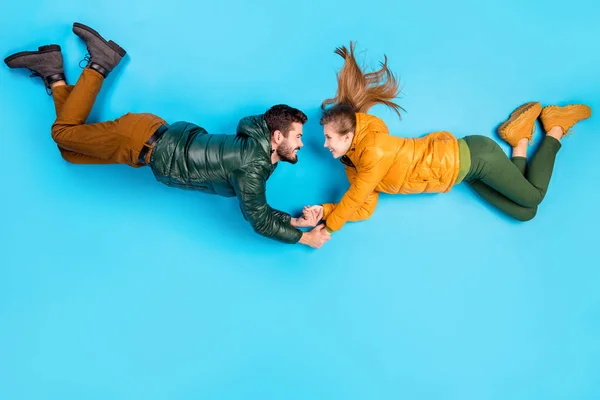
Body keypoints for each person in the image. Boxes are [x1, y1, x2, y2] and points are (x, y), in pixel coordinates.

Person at [4, 22, 331, 248]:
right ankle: (100, 64)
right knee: (62, 134)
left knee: (69, 151)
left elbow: (257, 205)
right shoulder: (252, 164)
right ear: (276, 137)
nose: (302, 143)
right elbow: (258, 218)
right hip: (137, 140)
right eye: (297, 136)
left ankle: (53, 73)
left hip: (143, 145)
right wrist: (305, 237)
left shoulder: (257, 149)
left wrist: (296, 222)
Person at [303, 42, 592, 234]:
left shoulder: (374, 151)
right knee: (526, 213)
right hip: (461, 174)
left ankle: (554, 127)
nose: (325, 144)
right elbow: (363, 207)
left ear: (348, 135)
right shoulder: (354, 163)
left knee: (534, 196)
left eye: (329, 137)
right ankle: (520, 138)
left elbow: (355, 197)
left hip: (477, 157)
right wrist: (325, 211)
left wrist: (328, 227)